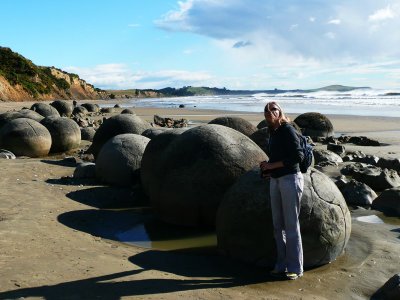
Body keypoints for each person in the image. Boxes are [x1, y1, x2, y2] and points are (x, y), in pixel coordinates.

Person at [259, 101, 305, 280]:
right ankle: (281, 264)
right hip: (276, 180)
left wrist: (272, 165)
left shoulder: (287, 129)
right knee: (278, 226)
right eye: (266, 110)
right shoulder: (273, 133)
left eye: (273, 109)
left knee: (291, 226)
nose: (269, 112)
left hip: (290, 180)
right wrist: (268, 169)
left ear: (280, 112)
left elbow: (297, 157)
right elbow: (278, 157)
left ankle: (295, 268)